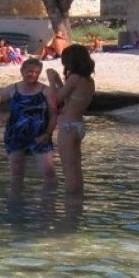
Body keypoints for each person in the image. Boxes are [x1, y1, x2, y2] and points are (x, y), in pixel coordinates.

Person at [0, 57, 56, 191]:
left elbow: (54, 114)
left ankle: (48, 206)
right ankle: (15, 208)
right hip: (15, 136)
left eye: (36, 72)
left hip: (40, 137)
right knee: (16, 174)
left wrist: (48, 134)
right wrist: (0, 117)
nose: (33, 75)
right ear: (22, 71)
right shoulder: (13, 89)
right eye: (30, 71)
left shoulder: (45, 91)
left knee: (48, 174)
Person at [48, 45, 97, 194]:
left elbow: (56, 102)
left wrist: (51, 81)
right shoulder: (88, 81)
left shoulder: (74, 78)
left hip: (67, 127)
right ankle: (78, 207)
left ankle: (70, 209)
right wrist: (58, 81)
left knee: (68, 171)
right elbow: (70, 98)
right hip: (78, 125)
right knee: (76, 169)